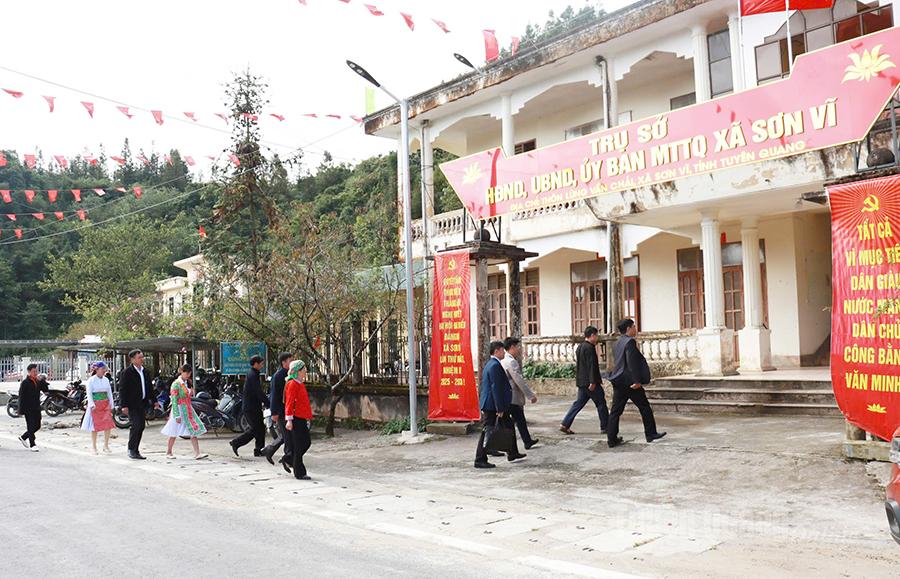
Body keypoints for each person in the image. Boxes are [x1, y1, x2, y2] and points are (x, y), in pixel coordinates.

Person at [606, 318, 667, 448]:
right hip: (630, 382)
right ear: (628, 328)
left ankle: (611, 439)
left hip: (619, 380)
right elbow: (631, 363)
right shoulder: (629, 342)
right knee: (644, 407)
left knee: (615, 411)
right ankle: (650, 433)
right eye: (633, 326)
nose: (635, 329)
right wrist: (637, 381)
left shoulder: (618, 343)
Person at [474, 341, 525, 469]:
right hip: (492, 405)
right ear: (496, 351)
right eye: (502, 350)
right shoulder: (495, 365)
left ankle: (512, 452)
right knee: (488, 430)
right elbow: (495, 388)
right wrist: (499, 408)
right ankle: (480, 459)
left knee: (509, 425)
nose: (504, 352)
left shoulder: (492, 364)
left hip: (493, 404)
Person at [560, 326, 610, 435]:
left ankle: (565, 424)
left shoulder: (580, 347)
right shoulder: (590, 348)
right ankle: (606, 426)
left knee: (578, 404)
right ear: (592, 335)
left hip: (582, 381)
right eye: (596, 335)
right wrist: (593, 381)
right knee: (601, 403)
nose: (597, 338)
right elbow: (591, 366)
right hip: (590, 382)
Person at [161, 364, 208, 460]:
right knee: (173, 431)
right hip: (179, 409)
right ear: (182, 372)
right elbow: (174, 400)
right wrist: (176, 415)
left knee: (193, 430)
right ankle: (169, 451)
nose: (188, 375)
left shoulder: (186, 383)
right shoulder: (176, 384)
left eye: (189, 374)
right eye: (187, 373)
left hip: (187, 409)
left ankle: (197, 453)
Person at [500, 337, 539, 450]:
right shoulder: (511, 361)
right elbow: (519, 380)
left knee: (519, 419)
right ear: (512, 347)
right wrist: (530, 395)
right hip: (512, 396)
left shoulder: (504, 360)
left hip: (508, 396)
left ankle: (527, 441)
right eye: (517, 347)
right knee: (514, 421)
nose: (519, 349)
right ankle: (516, 445)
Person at [230, 355, 269, 457]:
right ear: (255, 364)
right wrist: (268, 403)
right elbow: (258, 392)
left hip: (254, 406)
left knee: (260, 428)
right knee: (255, 429)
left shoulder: (254, 374)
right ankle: (236, 442)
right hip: (251, 407)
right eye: (261, 363)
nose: (262, 365)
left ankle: (258, 449)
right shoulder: (252, 375)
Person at [119, 349, 156, 460]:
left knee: (141, 426)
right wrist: (124, 405)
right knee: (136, 426)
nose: (142, 359)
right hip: (132, 404)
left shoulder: (145, 371)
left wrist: (154, 401)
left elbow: (149, 387)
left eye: (142, 357)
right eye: (139, 357)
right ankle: (131, 449)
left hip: (142, 403)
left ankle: (136, 450)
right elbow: (123, 390)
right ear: (132, 359)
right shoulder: (127, 372)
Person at [261, 352, 293, 471]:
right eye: (290, 360)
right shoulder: (279, 376)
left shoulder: (290, 374)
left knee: (286, 435)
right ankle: (288, 458)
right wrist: (274, 412)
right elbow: (274, 395)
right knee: (288, 436)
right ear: (284, 362)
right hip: (281, 410)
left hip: (288, 409)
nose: (292, 362)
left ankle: (270, 450)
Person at [283, 360, 313, 480]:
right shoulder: (292, 384)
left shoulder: (299, 383)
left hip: (301, 417)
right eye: (304, 369)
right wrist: (289, 420)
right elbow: (289, 403)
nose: (306, 371)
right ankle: (299, 472)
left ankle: (290, 459)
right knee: (301, 444)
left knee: (305, 443)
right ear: (298, 371)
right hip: (296, 418)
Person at [81, 361, 115, 454]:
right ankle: (94, 447)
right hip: (95, 405)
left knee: (108, 425)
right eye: (102, 369)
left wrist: (111, 404)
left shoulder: (106, 380)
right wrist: (92, 404)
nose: (104, 370)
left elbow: (109, 392)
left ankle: (106, 445)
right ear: (97, 369)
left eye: (104, 369)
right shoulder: (91, 380)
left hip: (105, 404)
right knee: (94, 426)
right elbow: (89, 393)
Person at [18, 364, 48, 451]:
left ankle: (24, 437)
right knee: (30, 426)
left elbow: (45, 390)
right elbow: (21, 397)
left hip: (36, 407)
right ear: (29, 372)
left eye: (36, 371)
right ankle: (32, 444)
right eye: (33, 371)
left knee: (37, 425)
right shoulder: (25, 382)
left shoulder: (38, 381)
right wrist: (21, 410)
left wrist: (42, 380)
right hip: (28, 408)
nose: (35, 373)